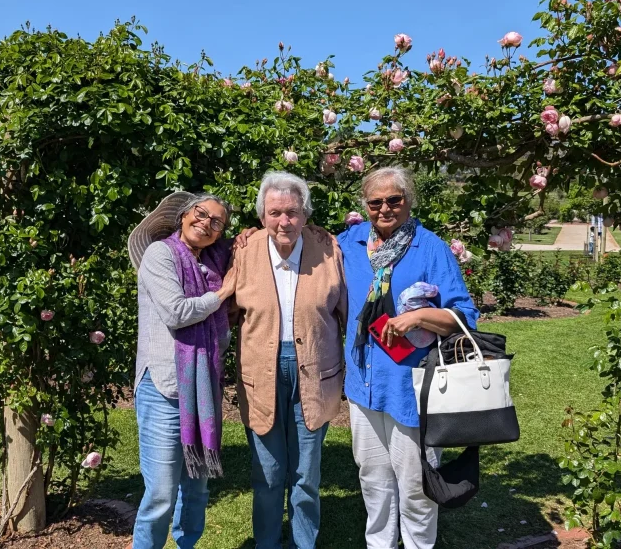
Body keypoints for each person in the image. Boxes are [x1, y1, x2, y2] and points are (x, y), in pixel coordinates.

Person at [337, 166, 479, 549]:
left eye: (394, 200)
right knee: (372, 475)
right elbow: (307, 240)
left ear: (408, 201)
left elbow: (464, 316)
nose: (385, 208)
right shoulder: (349, 243)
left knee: (416, 482)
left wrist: (418, 317)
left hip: (410, 386)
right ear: (365, 207)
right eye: (375, 202)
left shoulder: (429, 248)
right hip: (363, 383)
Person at [230, 171, 347, 549]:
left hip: (314, 370)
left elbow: (347, 311)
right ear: (261, 216)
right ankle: (266, 542)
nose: (284, 221)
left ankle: (303, 543)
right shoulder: (243, 251)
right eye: (275, 212)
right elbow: (224, 309)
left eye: (293, 212)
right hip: (260, 373)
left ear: (306, 214)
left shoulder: (328, 249)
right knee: (267, 471)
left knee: (305, 474)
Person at [127, 192, 237, 549]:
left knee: (196, 488)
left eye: (216, 222)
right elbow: (176, 312)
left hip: (203, 387)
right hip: (162, 387)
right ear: (184, 215)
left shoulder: (212, 266)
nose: (206, 223)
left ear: (220, 234)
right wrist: (222, 295)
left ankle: (187, 544)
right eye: (201, 214)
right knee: (160, 494)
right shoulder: (160, 254)